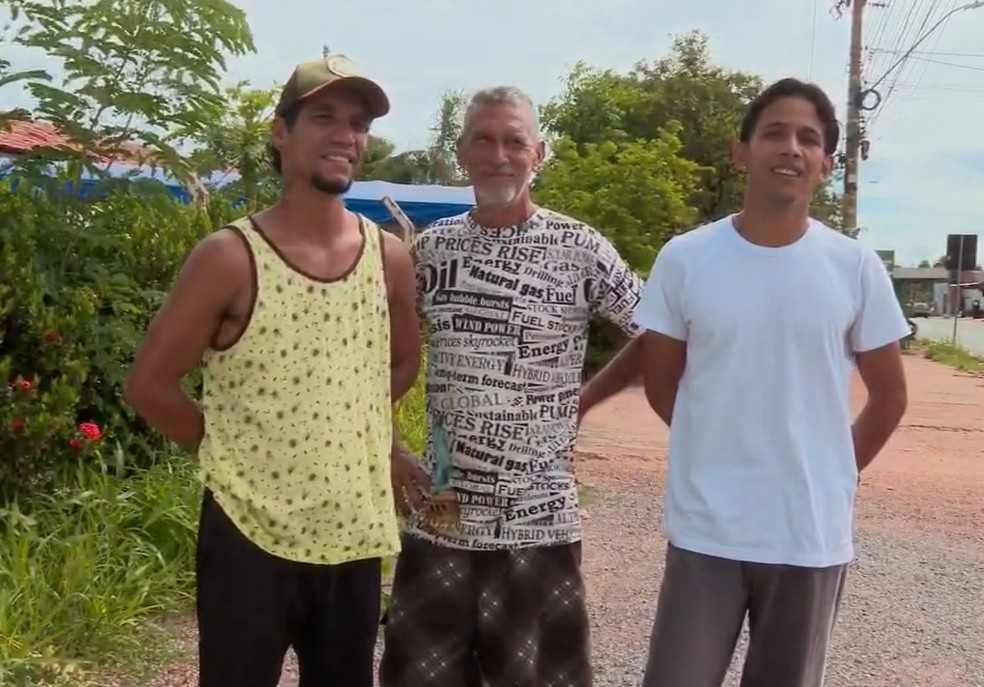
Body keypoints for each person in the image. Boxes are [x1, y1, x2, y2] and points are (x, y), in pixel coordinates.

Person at [123, 54, 428, 687]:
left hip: (353, 533)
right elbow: (150, 387)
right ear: (280, 133)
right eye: (324, 117)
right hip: (248, 535)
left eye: (358, 122)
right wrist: (235, 448)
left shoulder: (388, 258)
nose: (345, 135)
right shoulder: (230, 257)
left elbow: (398, 364)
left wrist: (369, 437)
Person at [635, 77, 910, 687]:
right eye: (775, 133)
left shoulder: (854, 266)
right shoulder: (686, 257)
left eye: (808, 139)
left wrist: (835, 469)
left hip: (807, 533)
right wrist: (717, 448)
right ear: (742, 152)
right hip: (707, 527)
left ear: (825, 164)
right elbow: (662, 386)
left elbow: (890, 397)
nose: (791, 148)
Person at [379, 85, 645, 687]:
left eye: (514, 141)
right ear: (462, 152)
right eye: (484, 139)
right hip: (441, 514)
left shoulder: (580, 248)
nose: (499, 155)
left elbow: (657, 330)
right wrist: (391, 448)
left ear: (539, 153)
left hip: (540, 517)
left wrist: (589, 397)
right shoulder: (432, 250)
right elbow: (380, 356)